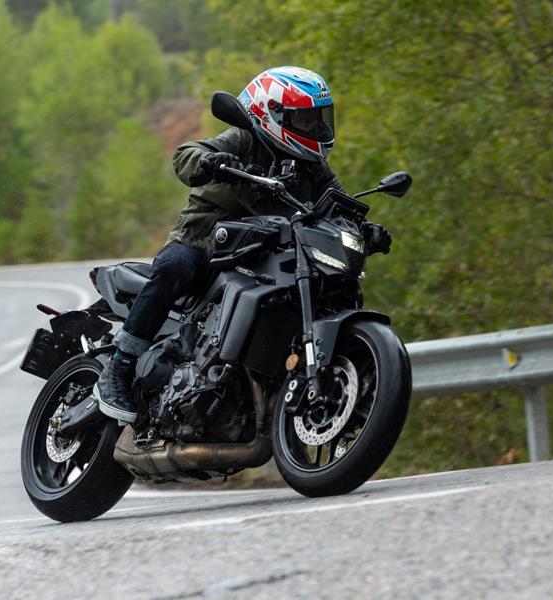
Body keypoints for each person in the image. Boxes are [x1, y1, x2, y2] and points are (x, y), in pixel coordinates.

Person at [95, 66, 392, 423]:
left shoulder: (313, 167)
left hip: (263, 256)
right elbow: (185, 155)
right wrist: (211, 161)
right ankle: (120, 366)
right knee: (176, 266)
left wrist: (367, 229)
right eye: (305, 119)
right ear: (272, 115)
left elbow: (339, 204)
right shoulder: (243, 140)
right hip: (206, 242)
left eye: (317, 118)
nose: (314, 127)